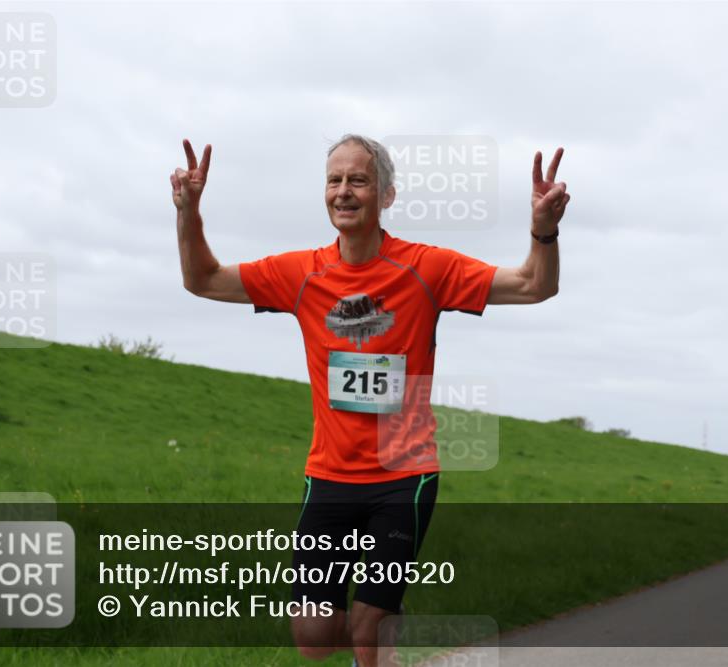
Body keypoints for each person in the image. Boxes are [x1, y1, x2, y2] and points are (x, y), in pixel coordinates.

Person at [171, 135, 568, 667]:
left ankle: (378, 634)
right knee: (314, 638)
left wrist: (543, 231)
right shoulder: (301, 273)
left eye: (358, 180)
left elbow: (534, 285)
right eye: (334, 180)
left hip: (404, 477)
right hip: (330, 476)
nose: (343, 191)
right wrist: (188, 212)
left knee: (367, 630)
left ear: (387, 195)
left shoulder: (426, 268)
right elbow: (201, 279)